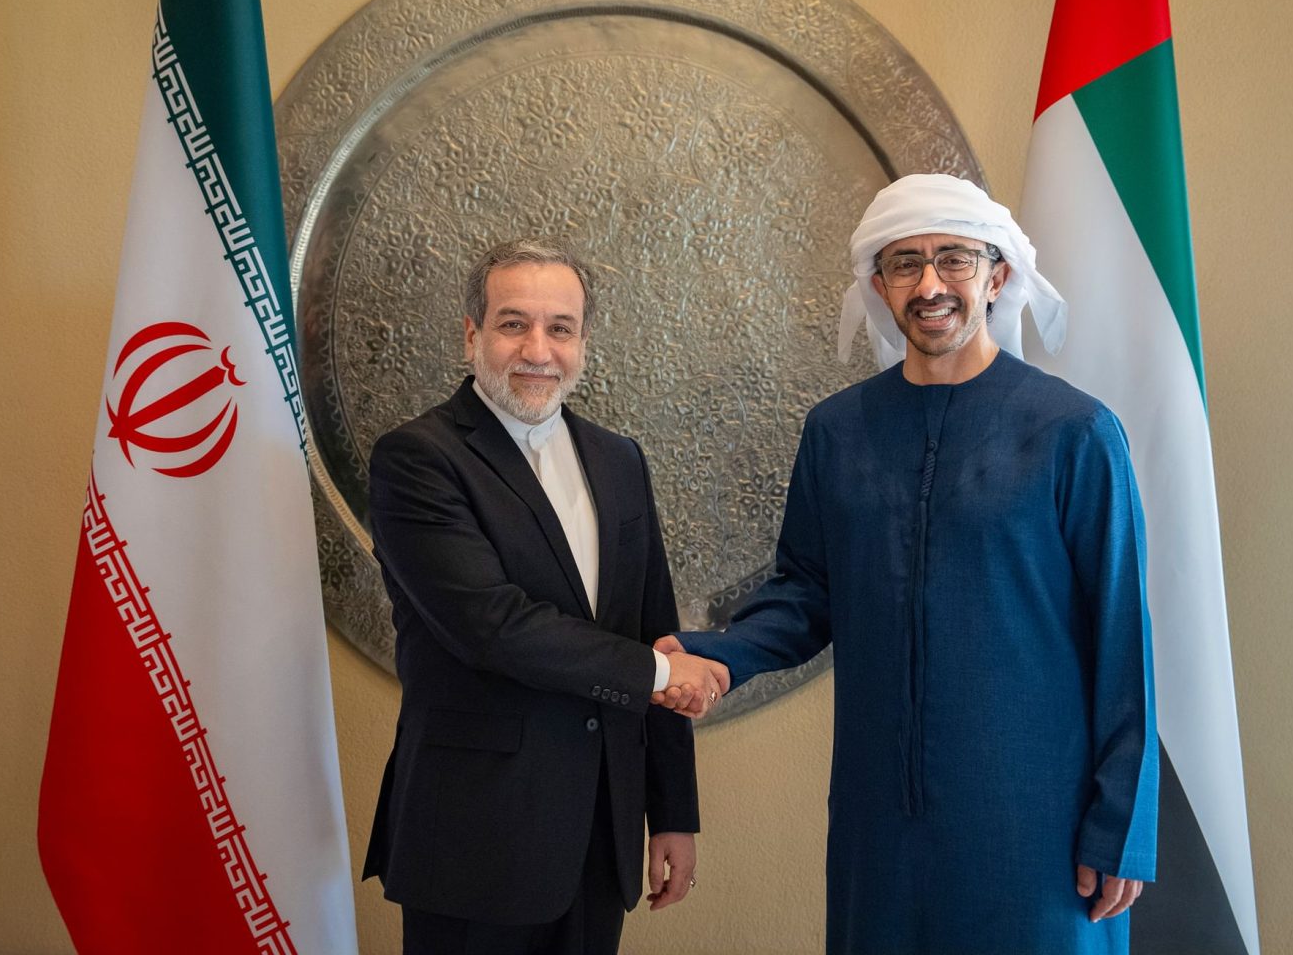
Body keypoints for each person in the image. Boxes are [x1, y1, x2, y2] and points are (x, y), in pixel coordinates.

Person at [661, 175, 1159, 954]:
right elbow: (807, 592)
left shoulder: (1075, 431)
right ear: (879, 285)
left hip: (1036, 823)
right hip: (880, 823)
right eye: (905, 263)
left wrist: (1122, 825)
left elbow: (1122, 635)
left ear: (996, 276)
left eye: (954, 258)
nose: (930, 285)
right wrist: (720, 657)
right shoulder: (837, 431)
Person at [363, 238, 724, 955]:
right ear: (472, 334)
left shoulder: (619, 460)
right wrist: (659, 674)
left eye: (560, 328)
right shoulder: (417, 459)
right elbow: (492, 625)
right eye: (513, 324)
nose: (538, 349)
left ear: (583, 342)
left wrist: (672, 811)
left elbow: (655, 628)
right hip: (475, 835)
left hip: (601, 833)